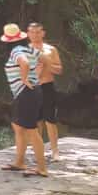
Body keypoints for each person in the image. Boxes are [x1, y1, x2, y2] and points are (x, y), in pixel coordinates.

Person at [0, 23, 47, 178]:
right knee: (18, 126)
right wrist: (35, 76)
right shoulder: (29, 49)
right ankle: (19, 162)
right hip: (29, 92)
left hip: (26, 93)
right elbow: (44, 59)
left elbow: (24, 63)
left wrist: (25, 78)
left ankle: (42, 168)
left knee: (31, 130)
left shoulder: (16, 51)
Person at [27, 22, 63, 161]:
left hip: (47, 86)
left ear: (43, 33)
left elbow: (59, 70)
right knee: (35, 121)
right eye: (32, 32)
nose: (35, 35)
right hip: (32, 87)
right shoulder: (24, 50)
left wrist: (47, 64)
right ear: (28, 34)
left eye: (38, 32)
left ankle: (55, 151)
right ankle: (38, 150)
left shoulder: (51, 50)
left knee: (50, 120)